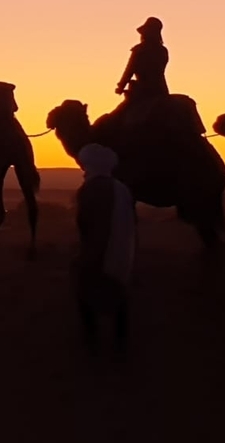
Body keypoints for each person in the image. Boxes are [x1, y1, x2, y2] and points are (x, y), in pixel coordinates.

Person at [72, 143, 137, 352]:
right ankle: (120, 343)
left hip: (99, 249)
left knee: (86, 291)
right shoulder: (121, 187)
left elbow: (87, 223)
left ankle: (92, 343)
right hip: (122, 248)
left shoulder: (92, 189)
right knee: (118, 293)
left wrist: (88, 253)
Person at [115, 17, 170, 101]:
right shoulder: (163, 50)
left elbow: (130, 70)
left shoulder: (139, 50)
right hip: (161, 90)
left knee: (120, 112)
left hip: (143, 91)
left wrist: (121, 87)